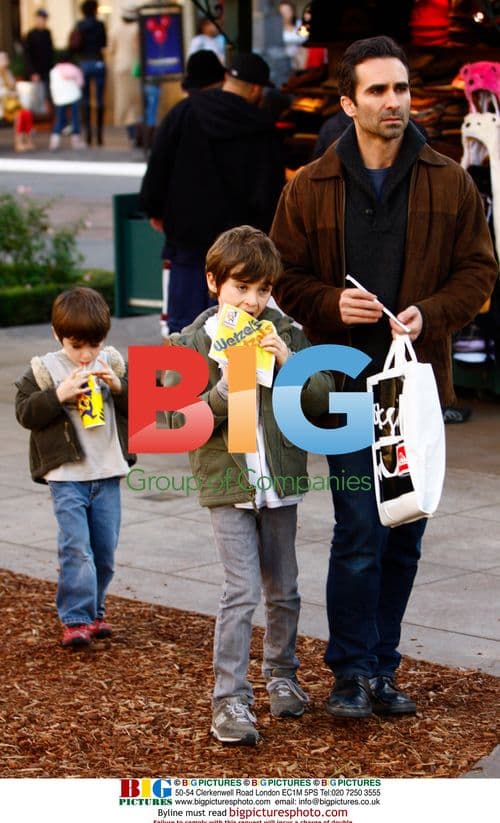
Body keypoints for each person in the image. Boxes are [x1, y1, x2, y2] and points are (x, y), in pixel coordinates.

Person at [270, 36, 497, 718]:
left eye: (400, 89)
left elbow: (480, 272)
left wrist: (430, 314)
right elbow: (282, 277)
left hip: (415, 391)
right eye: (377, 90)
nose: (394, 101)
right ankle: (349, 673)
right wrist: (327, 302)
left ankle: (382, 668)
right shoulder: (310, 187)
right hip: (341, 390)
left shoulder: (448, 179)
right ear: (348, 102)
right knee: (359, 530)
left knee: (404, 530)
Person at [164, 225, 333, 744]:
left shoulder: (288, 330)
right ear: (214, 283)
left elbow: (323, 402)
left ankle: (282, 675)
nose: (254, 301)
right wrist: (221, 386)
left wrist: (291, 363)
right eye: (242, 288)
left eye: (263, 290)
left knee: (284, 588)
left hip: (279, 481)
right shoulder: (189, 343)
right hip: (227, 484)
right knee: (240, 591)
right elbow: (174, 423)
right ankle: (230, 701)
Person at [15, 287, 135, 648]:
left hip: (107, 473)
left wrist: (119, 387)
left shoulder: (111, 362)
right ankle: (76, 618)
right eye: (76, 345)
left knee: (104, 551)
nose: (85, 354)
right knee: (76, 548)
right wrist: (58, 394)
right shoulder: (44, 370)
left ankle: (96, 611)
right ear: (58, 335)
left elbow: (143, 407)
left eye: (93, 345)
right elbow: (24, 412)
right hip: (67, 477)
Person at [140, 52, 285, 335]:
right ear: (256, 89)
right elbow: (269, 194)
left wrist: (154, 210)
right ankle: (235, 379)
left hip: (187, 245)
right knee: (239, 332)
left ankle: (182, 379)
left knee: (183, 330)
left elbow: (157, 168)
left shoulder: (183, 112)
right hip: (241, 254)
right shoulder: (261, 128)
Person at [72, 0, 107, 145]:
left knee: (85, 99)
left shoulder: (79, 25)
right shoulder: (100, 25)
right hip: (98, 61)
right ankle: (99, 135)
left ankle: (88, 135)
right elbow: (104, 43)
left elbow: (75, 45)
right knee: (99, 99)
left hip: (84, 62)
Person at [108, 4, 141, 147]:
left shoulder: (115, 28)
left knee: (124, 100)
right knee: (137, 101)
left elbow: (111, 49)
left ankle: (132, 135)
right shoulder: (138, 28)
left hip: (120, 67)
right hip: (137, 67)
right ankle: (139, 135)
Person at [48, 53, 85, 150]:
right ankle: (75, 141)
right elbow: (80, 83)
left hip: (59, 98)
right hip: (74, 96)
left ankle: (54, 142)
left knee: (59, 119)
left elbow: (52, 86)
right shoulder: (74, 69)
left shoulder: (54, 71)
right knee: (75, 119)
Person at [0, 51, 34, 152]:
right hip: (3, 104)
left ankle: (27, 141)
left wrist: (15, 93)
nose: (5, 61)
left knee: (26, 114)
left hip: (12, 103)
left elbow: (14, 88)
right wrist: (10, 93)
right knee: (19, 115)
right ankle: (18, 142)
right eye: (2, 59)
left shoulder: (8, 72)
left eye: (5, 58)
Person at [23, 7, 54, 104]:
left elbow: (50, 53)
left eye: (44, 19)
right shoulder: (30, 35)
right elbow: (27, 55)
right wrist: (33, 72)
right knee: (37, 95)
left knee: (48, 94)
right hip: (35, 71)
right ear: (36, 19)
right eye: (40, 18)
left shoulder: (47, 33)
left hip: (47, 70)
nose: (42, 21)